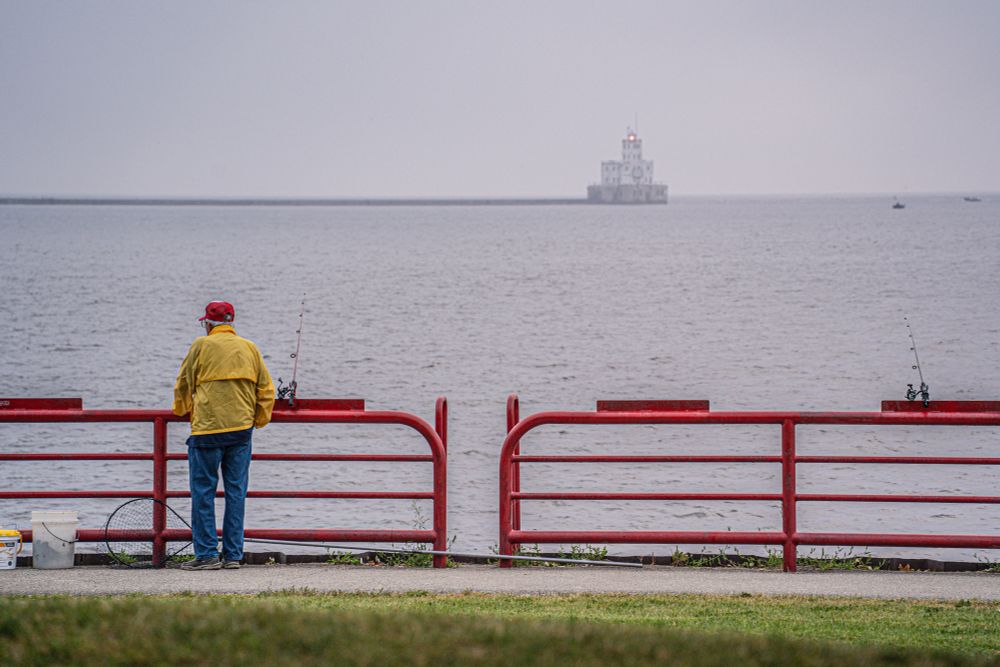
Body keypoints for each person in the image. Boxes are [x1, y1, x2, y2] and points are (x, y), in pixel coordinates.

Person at [172, 301, 274, 570]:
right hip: (241, 430)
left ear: (208, 324)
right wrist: (259, 420)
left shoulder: (201, 346)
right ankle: (232, 556)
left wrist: (183, 410)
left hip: (207, 430)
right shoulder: (249, 347)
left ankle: (206, 555)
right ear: (231, 323)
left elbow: (184, 383)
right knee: (236, 493)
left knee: (203, 493)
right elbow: (266, 389)